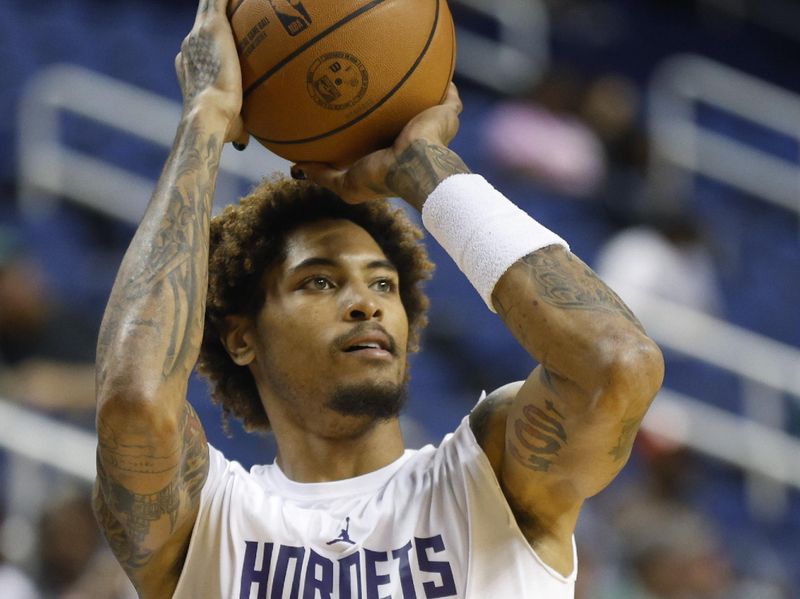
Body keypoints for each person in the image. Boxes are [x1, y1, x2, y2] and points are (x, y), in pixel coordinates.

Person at [92, 1, 664, 597]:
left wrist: (423, 169)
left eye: (383, 283)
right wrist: (205, 118)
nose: (366, 302)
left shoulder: (491, 480)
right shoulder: (207, 519)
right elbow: (132, 404)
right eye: (319, 280)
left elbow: (616, 365)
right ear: (242, 336)